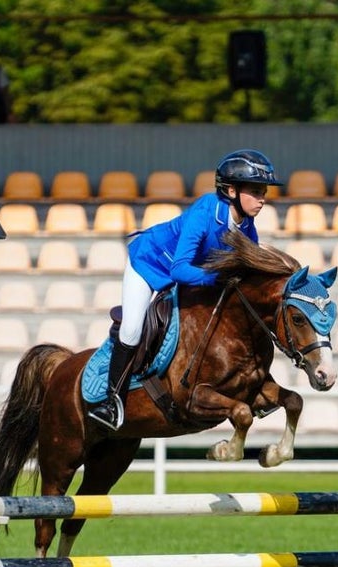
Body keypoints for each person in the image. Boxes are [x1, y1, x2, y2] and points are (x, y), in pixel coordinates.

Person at [87, 149, 283, 431]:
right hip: (150, 265)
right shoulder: (204, 213)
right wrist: (216, 278)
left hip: (191, 275)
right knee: (132, 328)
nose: (263, 198)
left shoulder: (248, 228)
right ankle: (110, 401)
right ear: (230, 190)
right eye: (255, 191)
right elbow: (179, 269)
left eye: (263, 191)